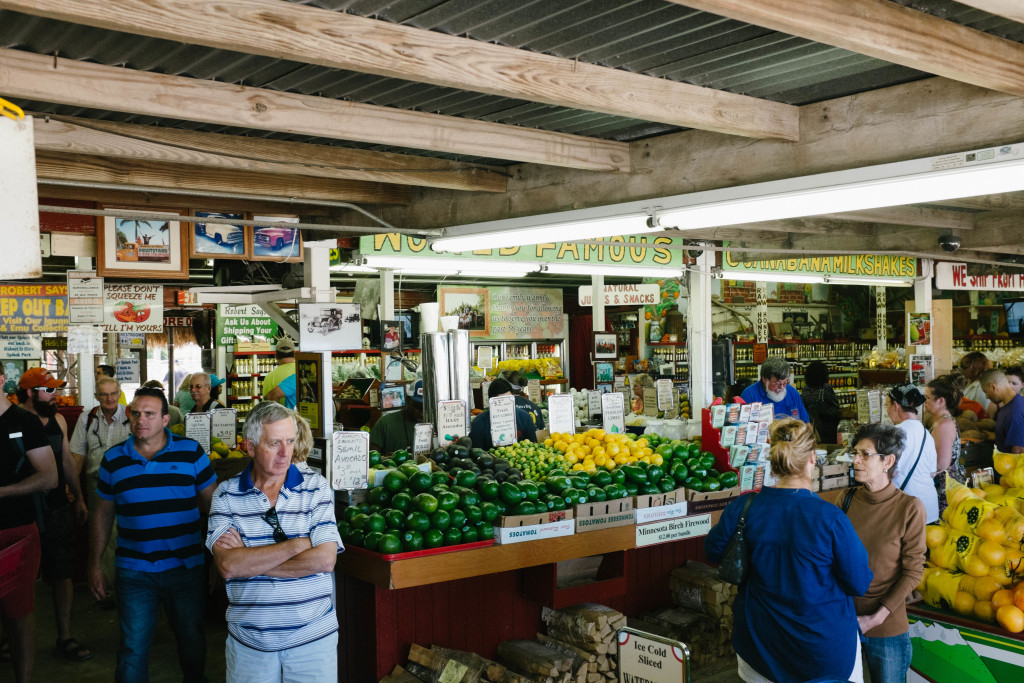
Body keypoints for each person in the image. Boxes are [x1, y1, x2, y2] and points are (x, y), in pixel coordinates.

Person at [705, 418, 872, 683]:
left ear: (773, 460)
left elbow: (713, 552)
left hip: (759, 647)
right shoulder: (830, 518)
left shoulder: (743, 508)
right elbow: (859, 582)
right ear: (812, 460)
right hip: (822, 653)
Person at [89, 387, 217, 682]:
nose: (140, 420)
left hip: (185, 568)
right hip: (135, 571)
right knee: (133, 649)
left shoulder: (190, 453)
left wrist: (218, 558)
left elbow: (214, 509)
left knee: (193, 644)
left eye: (149, 414)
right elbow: (103, 514)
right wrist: (95, 564)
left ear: (165, 419)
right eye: (135, 413)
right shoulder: (113, 460)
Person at [207, 401, 341, 682]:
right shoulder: (226, 495)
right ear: (251, 447)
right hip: (249, 646)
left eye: (290, 442)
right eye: (274, 443)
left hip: (313, 640)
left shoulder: (316, 487)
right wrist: (297, 545)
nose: (285, 453)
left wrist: (250, 559)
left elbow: (325, 560)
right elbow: (229, 567)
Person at [821, 423, 926, 683]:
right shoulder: (845, 500)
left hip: (887, 628)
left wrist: (874, 618)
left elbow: (913, 572)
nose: (855, 460)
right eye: (855, 453)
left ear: (887, 461)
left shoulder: (909, 508)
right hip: (844, 624)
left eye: (865, 454)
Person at [16, 368, 92, 663]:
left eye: (55, 389)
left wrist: (79, 498)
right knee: (18, 577)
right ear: (30, 394)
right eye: (48, 390)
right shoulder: (13, 421)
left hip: (58, 506)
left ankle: (65, 636)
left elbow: (66, 461)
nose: (55, 394)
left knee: (62, 572)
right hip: (22, 509)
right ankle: (12, 635)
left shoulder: (58, 419)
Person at [0, 368, 58, 683]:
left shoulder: (23, 422)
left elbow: (49, 477)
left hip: (16, 530)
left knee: (18, 613)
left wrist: (3, 492)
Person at [886, 384, 940, 523]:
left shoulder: (893, 434)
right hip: (930, 508)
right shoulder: (926, 433)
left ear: (896, 406)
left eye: (887, 405)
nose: (887, 411)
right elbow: (931, 473)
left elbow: (888, 473)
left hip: (907, 510)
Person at [923, 374, 967, 515]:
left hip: (944, 489)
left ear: (941, 401)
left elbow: (941, 465)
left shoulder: (944, 425)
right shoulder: (939, 421)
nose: (924, 401)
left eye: (928, 398)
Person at [469, 379, 538, 450]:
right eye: (500, 402)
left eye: (507, 401)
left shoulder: (525, 418)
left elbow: (533, 446)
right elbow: (476, 453)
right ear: (490, 402)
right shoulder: (478, 423)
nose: (504, 407)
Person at [739, 356, 810, 422]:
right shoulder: (749, 395)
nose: (782, 387)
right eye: (777, 383)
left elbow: (805, 422)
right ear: (764, 379)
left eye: (785, 382)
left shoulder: (792, 392)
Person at [369, 379, 424, 454]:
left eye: (426, 408)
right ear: (407, 400)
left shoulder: (436, 425)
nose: (422, 413)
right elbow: (371, 456)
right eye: (418, 407)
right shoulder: (385, 424)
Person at [980, 368, 1024, 453]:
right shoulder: (1010, 406)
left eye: (986, 391)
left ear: (993, 387)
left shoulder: (1014, 411)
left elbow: (1019, 450)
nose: (986, 396)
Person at [800, 360, 841, 442]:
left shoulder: (805, 389)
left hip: (811, 427)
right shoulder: (825, 388)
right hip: (827, 427)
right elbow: (835, 404)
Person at [263, 338, 297, 408]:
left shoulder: (270, 377)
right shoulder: (300, 371)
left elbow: (267, 405)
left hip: (280, 417)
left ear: (276, 356)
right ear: (294, 354)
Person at [960, 351, 996, 418]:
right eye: (961, 367)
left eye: (965, 367)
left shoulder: (981, 388)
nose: (962, 370)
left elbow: (982, 412)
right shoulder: (969, 382)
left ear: (977, 368)